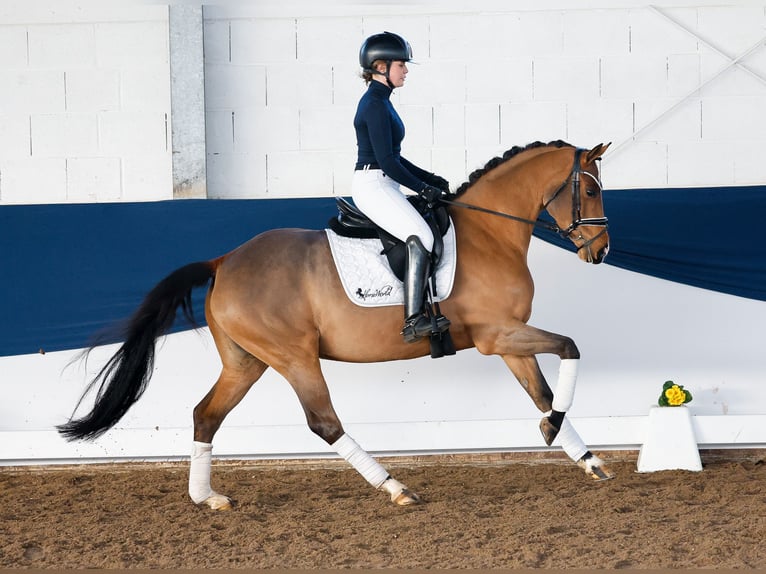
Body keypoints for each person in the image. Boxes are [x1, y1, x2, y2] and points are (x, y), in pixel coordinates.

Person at [352, 31, 450, 344]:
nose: (406, 70)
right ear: (380, 66)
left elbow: (395, 158)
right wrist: (423, 188)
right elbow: (388, 162)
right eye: (401, 65)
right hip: (373, 184)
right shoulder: (375, 106)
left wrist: (430, 179)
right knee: (420, 235)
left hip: (385, 181)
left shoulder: (382, 101)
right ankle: (413, 320)